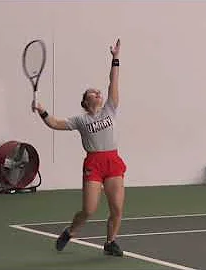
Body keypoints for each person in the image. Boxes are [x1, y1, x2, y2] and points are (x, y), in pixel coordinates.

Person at [33, 38, 126, 257]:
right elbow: (55, 123)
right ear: (85, 102)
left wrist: (115, 59)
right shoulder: (80, 120)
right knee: (89, 209)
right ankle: (71, 231)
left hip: (113, 161)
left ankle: (110, 242)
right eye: (93, 93)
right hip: (94, 164)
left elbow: (113, 83)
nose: (98, 94)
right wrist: (42, 110)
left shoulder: (110, 110)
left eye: (98, 92)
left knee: (117, 209)